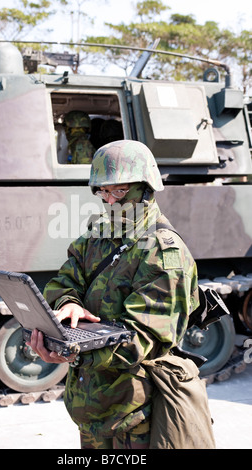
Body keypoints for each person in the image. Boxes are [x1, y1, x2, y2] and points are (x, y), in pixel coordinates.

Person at [28, 139, 216, 449]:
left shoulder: (164, 253)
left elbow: (142, 339)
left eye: (119, 191)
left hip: (135, 419)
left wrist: (71, 350)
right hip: (92, 410)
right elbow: (64, 280)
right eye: (103, 191)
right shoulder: (99, 234)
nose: (110, 201)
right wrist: (69, 303)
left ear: (146, 188)